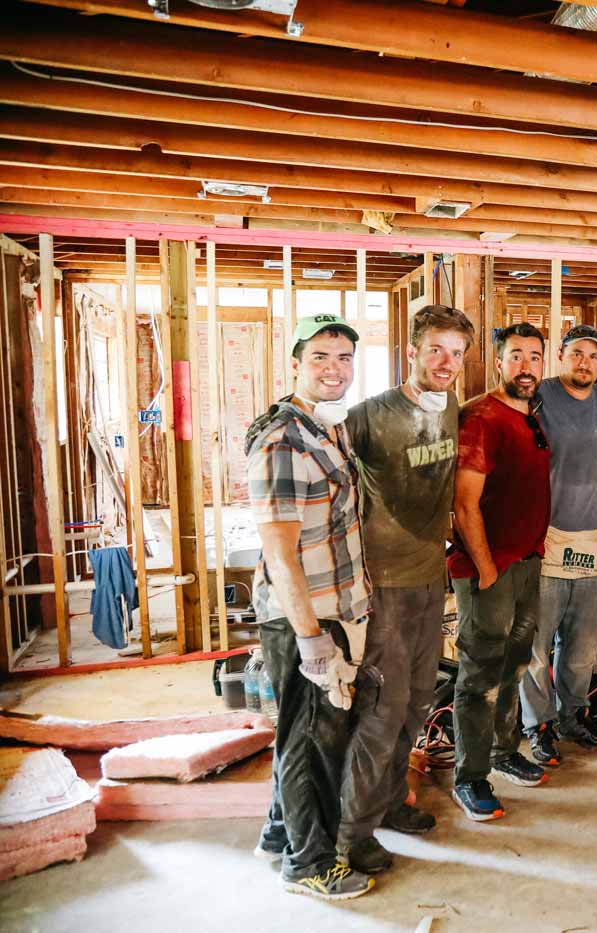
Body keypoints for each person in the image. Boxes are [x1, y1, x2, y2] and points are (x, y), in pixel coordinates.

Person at [338, 304, 473, 873]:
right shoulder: (370, 415)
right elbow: (326, 476)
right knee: (381, 710)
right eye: (436, 349)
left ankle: (392, 801)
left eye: (457, 353)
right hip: (384, 586)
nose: (447, 362)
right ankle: (350, 833)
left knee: (417, 702)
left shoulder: (450, 410)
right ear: (412, 351)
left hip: (427, 577)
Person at [247, 314, 373, 900]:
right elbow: (279, 551)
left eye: (344, 357)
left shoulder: (327, 428)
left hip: (334, 605)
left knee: (302, 731)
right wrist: (310, 638)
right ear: (296, 362)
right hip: (308, 615)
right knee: (313, 740)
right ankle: (310, 863)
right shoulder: (285, 439)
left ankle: (280, 834)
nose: (334, 368)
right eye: (321, 356)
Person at [448, 323, 553, 822]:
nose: (526, 367)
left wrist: (535, 542)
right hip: (488, 571)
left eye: (535, 357)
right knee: (479, 674)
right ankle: (469, 777)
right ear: (498, 363)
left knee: (514, 663)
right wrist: (488, 569)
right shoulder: (481, 418)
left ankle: (504, 751)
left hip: (526, 561)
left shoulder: (532, 416)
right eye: (516, 356)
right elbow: (464, 504)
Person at [520, 324, 597, 755]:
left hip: (594, 540)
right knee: (537, 646)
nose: (585, 362)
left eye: (594, 356)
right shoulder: (539, 395)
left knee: (582, 647)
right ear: (562, 355)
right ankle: (537, 725)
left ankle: (572, 716)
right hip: (548, 538)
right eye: (577, 353)